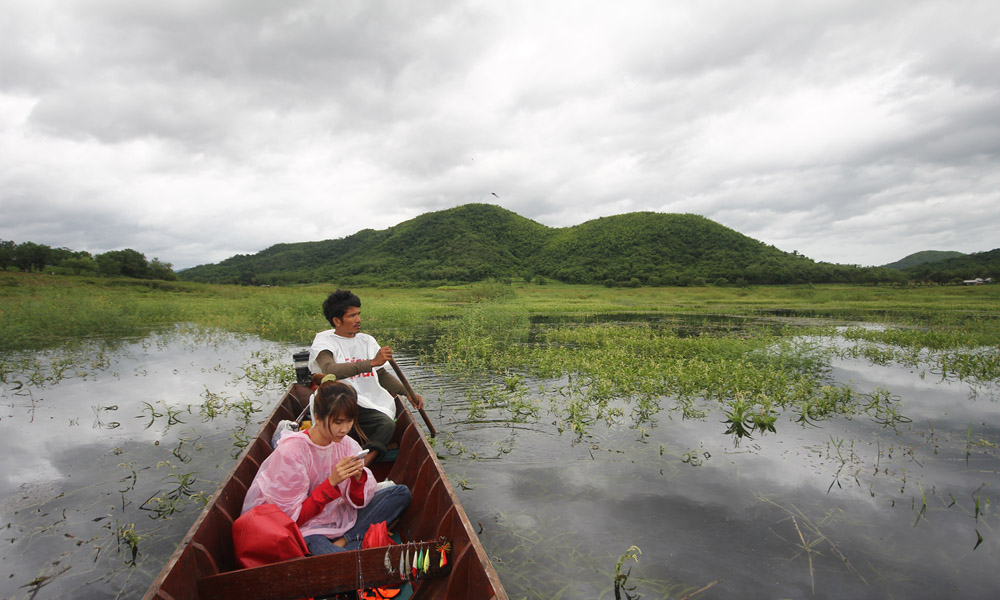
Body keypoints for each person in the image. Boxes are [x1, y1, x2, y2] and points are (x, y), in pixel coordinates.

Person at [241, 375, 411, 555]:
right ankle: (348, 549)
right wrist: (331, 483)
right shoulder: (292, 451)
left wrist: (358, 478)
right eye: (338, 422)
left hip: (342, 517)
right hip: (308, 529)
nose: (345, 429)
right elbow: (292, 520)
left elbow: (359, 501)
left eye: (349, 421)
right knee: (331, 556)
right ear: (318, 418)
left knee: (400, 493)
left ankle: (345, 541)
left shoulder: (348, 444)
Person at [308, 289, 423, 467]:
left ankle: (363, 463)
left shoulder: (367, 341)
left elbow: (382, 374)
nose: (358, 320)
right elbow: (329, 369)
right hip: (336, 403)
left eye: (359, 314)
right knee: (342, 408)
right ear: (337, 321)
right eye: (352, 316)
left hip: (365, 405)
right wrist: (371, 362)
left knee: (386, 425)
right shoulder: (325, 341)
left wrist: (407, 392)